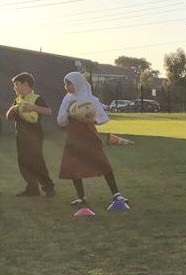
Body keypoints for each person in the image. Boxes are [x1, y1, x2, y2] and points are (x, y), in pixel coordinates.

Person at [57, 72, 128, 206]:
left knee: (102, 162)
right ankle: (80, 196)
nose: (66, 86)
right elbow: (60, 121)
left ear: (78, 83)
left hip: (89, 135)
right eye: (65, 84)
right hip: (73, 137)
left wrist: (90, 118)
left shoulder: (91, 99)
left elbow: (103, 118)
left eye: (69, 83)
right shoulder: (67, 99)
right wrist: (68, 112)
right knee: (74, 165)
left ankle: (116, 194)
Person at [5, 72, 55, 197]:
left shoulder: (37, 98)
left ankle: (48, 187)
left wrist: (34, 108)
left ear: (26, 84)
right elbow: (8, 117)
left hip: (35, 135)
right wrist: (12, 109)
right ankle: (32, 188)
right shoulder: (17, 100)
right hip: (20, 136)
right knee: (23, 162)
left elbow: (48, 112)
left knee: (36, 161)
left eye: (17, 85)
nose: (14, 88)